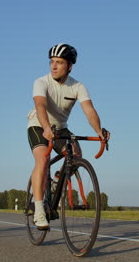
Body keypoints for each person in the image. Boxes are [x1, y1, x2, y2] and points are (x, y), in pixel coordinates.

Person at [27, 44, 110, 229]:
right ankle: (39, 210)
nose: (54, 66)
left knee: (76, 156)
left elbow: (89, 110)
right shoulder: (41, 82)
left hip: (61, 129)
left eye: (59, 62)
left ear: (70, 66)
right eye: (52, 62)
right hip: (39, 125)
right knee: (42, 159)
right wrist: (47, 128)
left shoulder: (78, 86)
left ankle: (56, 181)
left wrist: (99, 131)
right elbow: (40, 105)